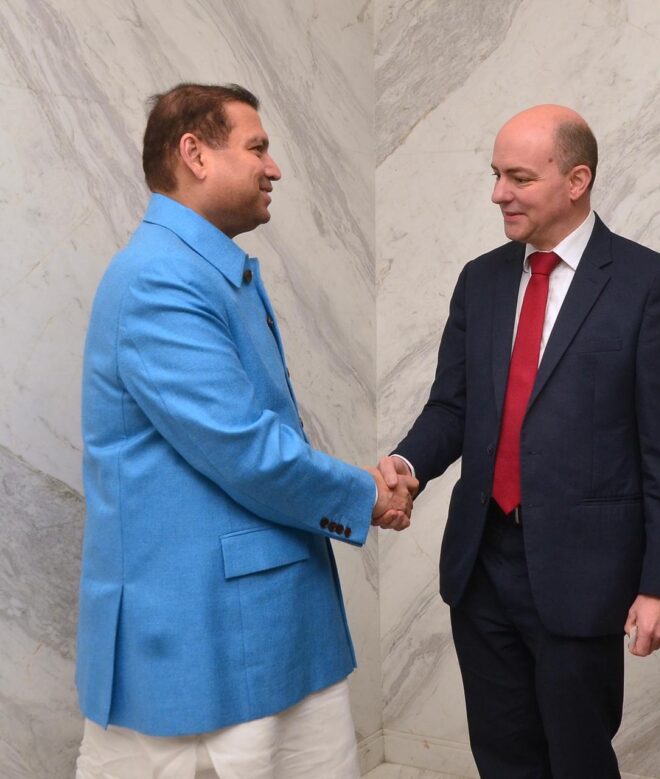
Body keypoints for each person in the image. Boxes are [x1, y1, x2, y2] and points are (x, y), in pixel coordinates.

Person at [75, 82, 415, 779]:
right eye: (257, 147)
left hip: (253, 627)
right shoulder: (160, 281)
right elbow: (245, 449)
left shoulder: (203, 268)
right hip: (209, 640)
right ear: (194, 154)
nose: (274, 167)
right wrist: (365, 495)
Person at [379, 104, 660, 778]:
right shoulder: (481, 281)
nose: (499, 193)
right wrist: (406, 464)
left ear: (576, 179)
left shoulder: (648, 286)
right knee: (504, 757)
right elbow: (452, 406)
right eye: (496, 175)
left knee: (578, 760)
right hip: (480, 565)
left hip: (585, 575)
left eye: (518, 177)